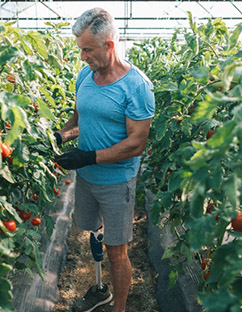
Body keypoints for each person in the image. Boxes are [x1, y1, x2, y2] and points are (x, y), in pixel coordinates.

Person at [53, 7, 155, 312]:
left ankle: (119, 308)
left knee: (116, 251)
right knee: (92, 231)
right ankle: (99, 289)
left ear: (109, 45)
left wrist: (89, 156)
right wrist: (61, 137)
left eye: (87, 49)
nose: (82, 57)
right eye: (80, 49)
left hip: (116, 182)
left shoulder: (136, 86)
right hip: (87, 178)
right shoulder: (86, 75)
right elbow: (80, 118)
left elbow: (136, 143)